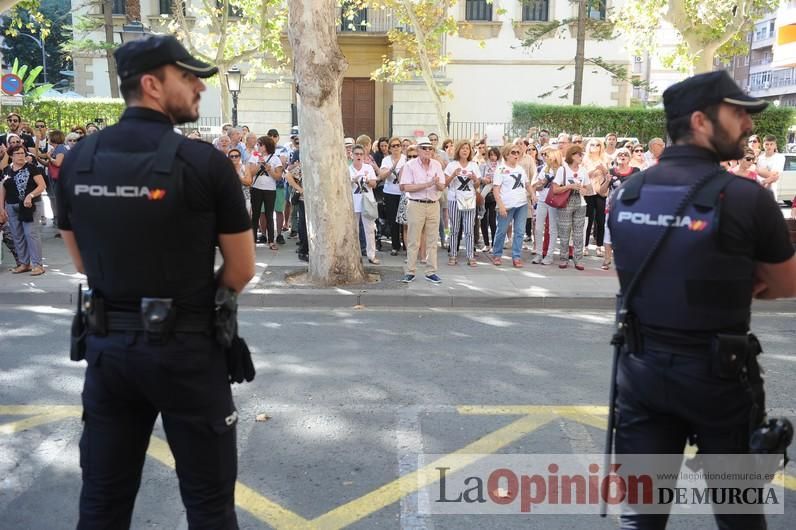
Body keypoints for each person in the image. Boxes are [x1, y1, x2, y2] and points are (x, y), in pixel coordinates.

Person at [56, 35, 255, 528]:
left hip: (108, 353)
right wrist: (201, 307)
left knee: (102, 503)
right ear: (151, 84)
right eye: (187, 78)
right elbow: (241, 268)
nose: (198, 89)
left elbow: (81, 262)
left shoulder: (79, 159)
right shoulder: (204, 163)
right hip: (187, 354)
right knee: (210, 507)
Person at [607, 70, 796, 530]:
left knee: (642, 517)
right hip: (719, 378)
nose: (749, 126)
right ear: (700, 120)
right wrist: (736, 277)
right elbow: (787, 284)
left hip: (640, 373)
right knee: (739, 515)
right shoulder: (746, 199)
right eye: (738, 114)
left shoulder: (625, 195)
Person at [399, 136, 445, 284]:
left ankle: (431, 271)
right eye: (424, 148)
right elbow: (406, 186)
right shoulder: (410, 165)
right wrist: (427, 184)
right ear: (418, 150)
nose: (427, 150)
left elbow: (442, 186)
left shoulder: (437, 164)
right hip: (416, 204)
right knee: (413, 239)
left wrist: (437, 184)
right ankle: (410, 271)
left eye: (430, 148)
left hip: (433, 204)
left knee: (432, 240)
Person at [0, 144, 47, 275]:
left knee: (30, 234)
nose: (21, 156)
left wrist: (30, 195)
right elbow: (2, 189)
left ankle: (38, 265)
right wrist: (1, 208)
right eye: (18, 154)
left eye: (22, 153)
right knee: (17, 235)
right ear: (10, 156)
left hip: (29, 206)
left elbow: (42, 185)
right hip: (11, 205)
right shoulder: (6, 170)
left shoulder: (31, 168)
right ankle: (24, 263)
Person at [490, 144, 533, 268]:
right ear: (506, 155)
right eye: (513, 152)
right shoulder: (500, 169)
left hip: (522, 204)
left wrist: (533, 195)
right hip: (507, 206)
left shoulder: (520, 169)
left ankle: (516, 257)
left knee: (519, 232)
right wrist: (501, 206)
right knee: (501, 231)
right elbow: (496, 189)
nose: (516, 155)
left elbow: (527, 184)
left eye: (518, 153)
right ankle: (497, 254)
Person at [552, 144, 591, 270]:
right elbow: (555, 189)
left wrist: (583, 190)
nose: (581, 157)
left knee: (579, 233)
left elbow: (588, 189)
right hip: (565, 202)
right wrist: (569, 186)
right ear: (572, 155)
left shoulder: (583, 170)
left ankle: (578, 260)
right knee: (564, 232)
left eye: (582, 155)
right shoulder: (562, 170)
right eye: (579, 154)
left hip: (580, 202)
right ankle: (564, 259)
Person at [601, 147, 639, 270]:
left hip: (629, 207)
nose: (622, 156)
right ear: (616, 158)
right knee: (608, 232)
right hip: (612, 207)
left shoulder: (636, 171)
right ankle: (607, 259)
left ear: (629, 158)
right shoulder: (611, 171)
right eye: (620, 155)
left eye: (625, 155)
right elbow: (602, 192)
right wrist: (607, 181)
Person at [444, 140, 480, 267]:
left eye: (467, 148)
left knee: (469, 229)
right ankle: (453, 254)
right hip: (454, 199)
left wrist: (475, 179)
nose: (465, 150)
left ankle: (470, 255)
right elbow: (445, 184)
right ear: (458, 150)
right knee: (454, 228)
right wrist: (453, 174)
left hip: (469, 200)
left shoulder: (474, 165)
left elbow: (477, 185)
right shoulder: (452, 165)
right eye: (463, 148)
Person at [248, 135, 283, 249]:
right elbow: (250, 173)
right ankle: (252, 242)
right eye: (257, 144)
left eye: (260, 144)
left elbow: (278, 177)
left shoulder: (275, 158)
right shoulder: (254, 156)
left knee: (269, 215)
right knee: (255, 215)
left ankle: (271, 241)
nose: (258, 146)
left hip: (270, 190)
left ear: (267, 145)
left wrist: (270, 169)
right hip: (256, 188)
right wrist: (259, 164)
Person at [350, 143, 380, 264]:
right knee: (354, 230)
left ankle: (371, 255)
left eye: (361, 154)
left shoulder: (368, 168)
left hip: (367, 202)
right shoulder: (347, 169)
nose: (359, 156)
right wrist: (353, 180)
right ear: (351, 155)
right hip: (353, 202)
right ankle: (354, 255)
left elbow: (374, 184)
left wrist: (367, 181)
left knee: (370, 229)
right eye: (356, 154)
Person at [531, 146, 561, 265]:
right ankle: (539, 253)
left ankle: (549, 255)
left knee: (552, 229)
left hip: (554, 201)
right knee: (538, 228)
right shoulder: (543, 168)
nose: (544, 157)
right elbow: (535, 186)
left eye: (547, 154)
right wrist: (542, 183)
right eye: (543, 154)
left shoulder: (561, 169)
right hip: (542, 200)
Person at [379, 136, 406, 256]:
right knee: (393, 220)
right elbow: (382, 176)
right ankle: (395, 246)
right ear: (389, 148)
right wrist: (392, 168)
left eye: (398, 145)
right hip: (390, 193)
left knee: (405, 221)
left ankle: (406, 245)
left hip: (403, 193)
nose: (396, 148)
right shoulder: (386, 160)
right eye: (393, 146)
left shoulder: (405, 159)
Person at [755, 134, 785, 200]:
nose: (769, 146)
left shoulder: (780, 157)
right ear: (763, 145)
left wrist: (759, 172)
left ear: (775, 145)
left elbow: (774, 175)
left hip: (772, 192)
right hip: (758, 192)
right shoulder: (759, 158)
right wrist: (766, 173)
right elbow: (755, 174)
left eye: (771, 144)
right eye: (767, 144)